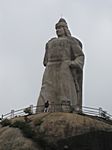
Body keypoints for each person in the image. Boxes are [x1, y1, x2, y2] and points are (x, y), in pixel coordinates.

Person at [37, 18, 84, 112]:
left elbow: (80, 56)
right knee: (45, 89)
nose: (58, 30)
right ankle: (40, 109)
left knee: (65, 89)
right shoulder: (50, 43)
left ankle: (67, 108)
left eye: (60, 28)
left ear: (65, 29)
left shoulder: (71, 41)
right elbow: (45, 61)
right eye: (57, 29)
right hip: (50, 68)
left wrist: (74, 63)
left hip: (64, 67)